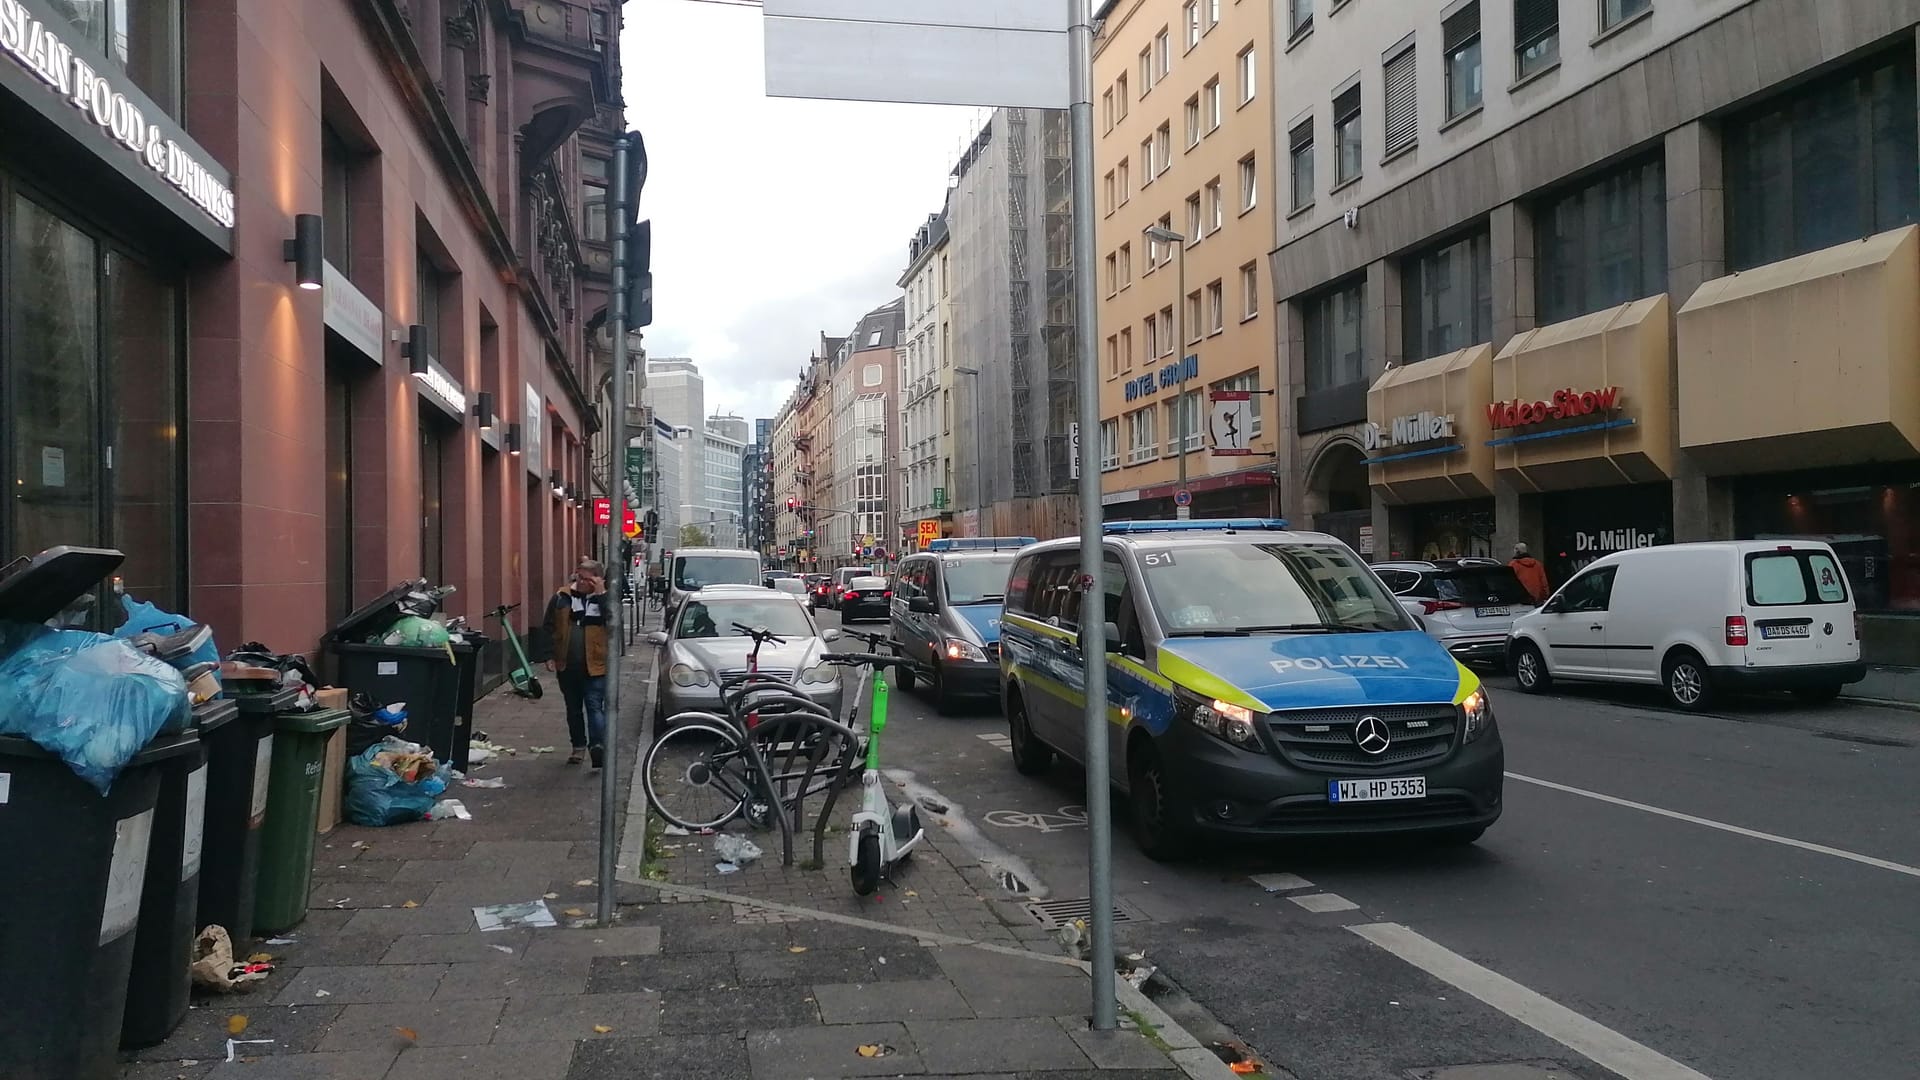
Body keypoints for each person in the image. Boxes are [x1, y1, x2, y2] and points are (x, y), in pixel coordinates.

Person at [544, 559, 609, 767]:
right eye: (578, 576)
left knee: (594, 706)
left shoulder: (604, 600)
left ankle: (597, 746)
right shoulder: (562, 597)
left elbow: (614, 620)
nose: (580, 582)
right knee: (573, 709)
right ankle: (578, 748)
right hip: (567, 665)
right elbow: (548, 626)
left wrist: (600, 594)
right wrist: (548, 655)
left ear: (598, 580)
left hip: (596, 665)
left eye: (586, 579)